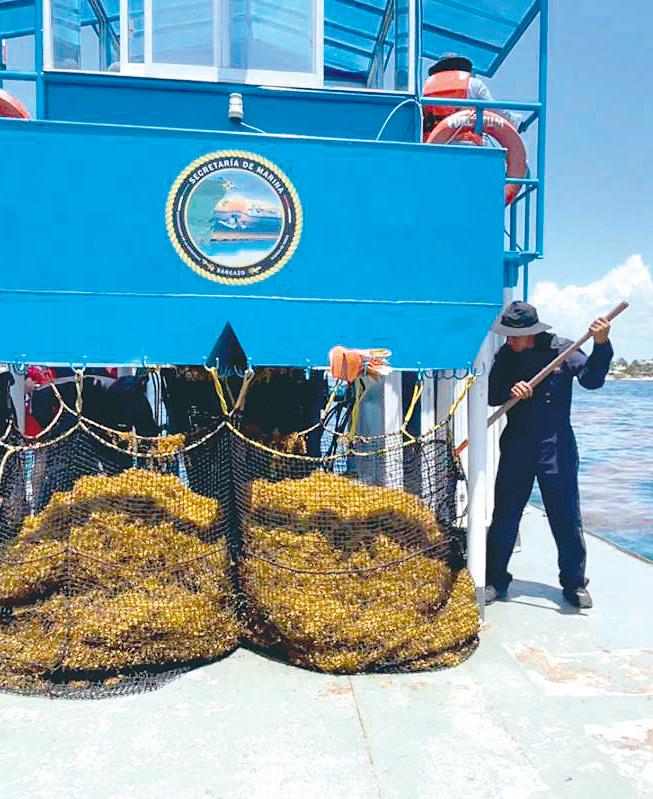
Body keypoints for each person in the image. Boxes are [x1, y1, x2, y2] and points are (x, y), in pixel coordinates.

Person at [484, 301, 613, 609]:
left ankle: (574, 583)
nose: (508, 341)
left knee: (565, 515)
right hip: (517, 444)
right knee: (505, 514)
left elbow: (592, 380)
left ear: (530, 333)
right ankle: (495, 580)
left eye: (513, 336)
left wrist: (601, 344)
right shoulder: (506, 355)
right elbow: (491, 395)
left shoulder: (563, 350)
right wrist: (510, 390)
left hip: (556, 446)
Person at [424, 53, 521, 133]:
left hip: (434, 145)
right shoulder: (474, 84)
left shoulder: (426, 89)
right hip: (467, 142)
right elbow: (494, 109)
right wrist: (516, 123)